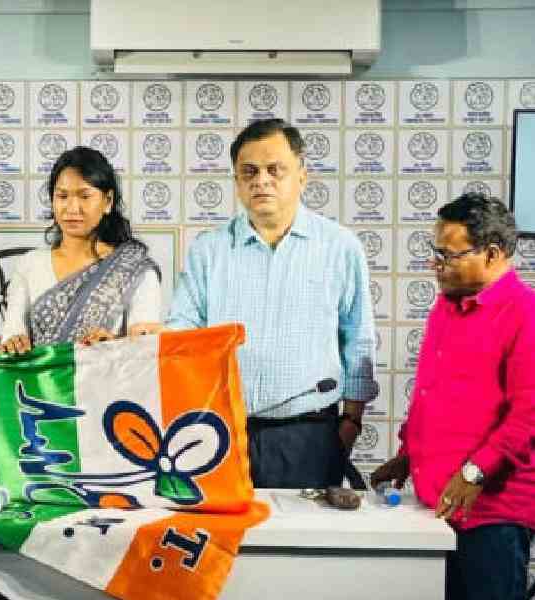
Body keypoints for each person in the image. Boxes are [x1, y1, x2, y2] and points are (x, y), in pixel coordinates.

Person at [166, 119, 378, 489]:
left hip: (310, 435)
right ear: (236, 181)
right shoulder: (208, 250)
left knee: (303, 545)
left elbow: (358, 338)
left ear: (302, 176)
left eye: (274, 170)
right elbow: (183, 331)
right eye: (249, 172)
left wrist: (352, 422)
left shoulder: (339, 247)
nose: (261, 180)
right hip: (220, 434)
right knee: (229, 546)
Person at [371, 194, 534, 600]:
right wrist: (409, 453)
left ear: (493, 254)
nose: (436, 263)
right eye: (436, 251)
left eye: (449, 254)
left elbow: (527, 416)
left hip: (492, 516)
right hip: (437, 509)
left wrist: (473, 473)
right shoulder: (446, 308)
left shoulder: (524, 313)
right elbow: (434, 395)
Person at [0, 145, 161, 353]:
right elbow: (12, 332)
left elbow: (144, 350)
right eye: (62, 196)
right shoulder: (30, 264)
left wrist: (113, 345)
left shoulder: (135, 270)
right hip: (39, 382)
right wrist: (14, 342)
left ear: (108, 201)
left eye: (85, 196)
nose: (72, 208)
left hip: (107, 381)